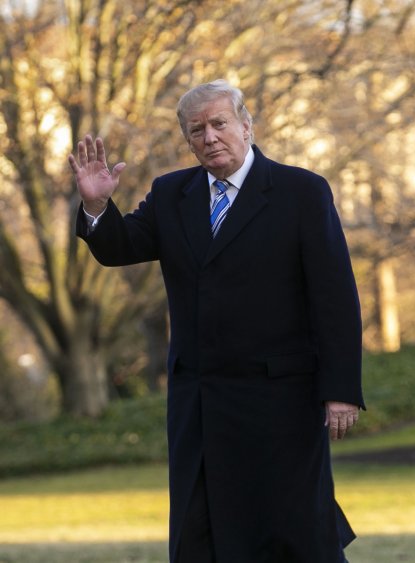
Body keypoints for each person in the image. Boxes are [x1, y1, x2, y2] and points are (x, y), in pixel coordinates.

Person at [69, 79, 363, 563]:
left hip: (281, 399)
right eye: (196, 130)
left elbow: (334, 297)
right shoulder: (171, 194)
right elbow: (122, 246)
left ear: (246, 125)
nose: (209, 138)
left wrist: (342, 389)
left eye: (219, 124)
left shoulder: (301, 191)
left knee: (295, 532)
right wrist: (98, 206)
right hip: (200, 402)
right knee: (202, 534)